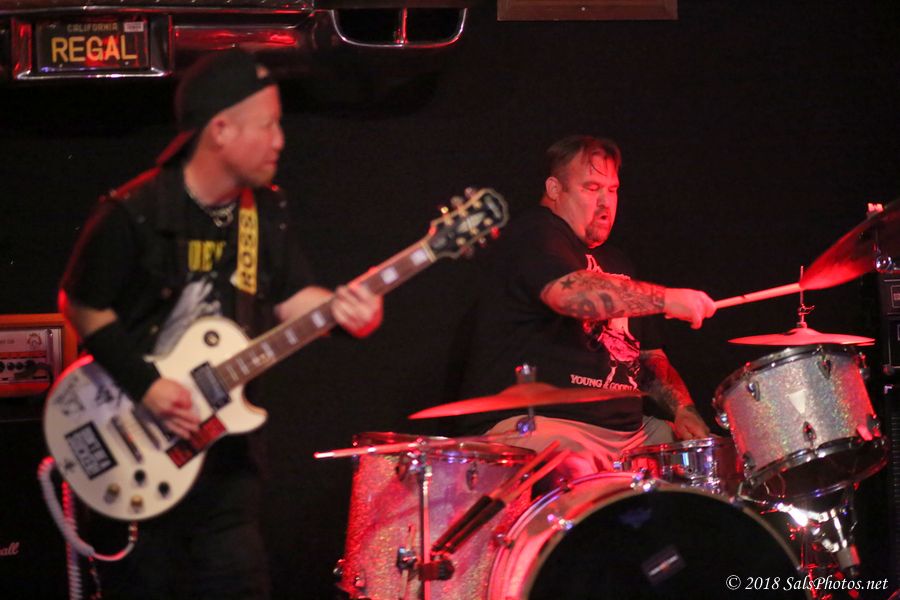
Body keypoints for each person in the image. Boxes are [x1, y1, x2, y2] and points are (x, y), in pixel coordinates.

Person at [58, 49, 382, 599]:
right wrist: (147, 386)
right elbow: (80, 302)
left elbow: (291, 301)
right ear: (221, 130)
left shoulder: (264, 213)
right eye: (268, 124)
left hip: (227, 470)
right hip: (134, 456)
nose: (280, 140)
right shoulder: (136, 211)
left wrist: (346, 312)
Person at [458, 135, 715, 486]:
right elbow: (567, 293)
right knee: (579, 472)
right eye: (592, 188)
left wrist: (684, 410)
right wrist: (667, 298)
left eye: (612, 190)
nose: (605, 201)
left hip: (631, 433)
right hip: (544, 424)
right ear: (555, 189)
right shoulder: (535, 233)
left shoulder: (618, 262)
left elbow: (648, 358)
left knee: (709, 460)